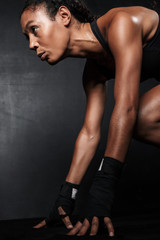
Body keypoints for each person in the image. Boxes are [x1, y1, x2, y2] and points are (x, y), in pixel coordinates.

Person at [20, 0, 160, 237]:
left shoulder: (121, 23)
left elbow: (126, 107)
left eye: (34, 29)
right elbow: (89, 133)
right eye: (27, 37)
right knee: (141, 124)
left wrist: (103, 190)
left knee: (139, 117)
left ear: (64, 16)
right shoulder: (94, 72)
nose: (32, 44)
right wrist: (66, 196)